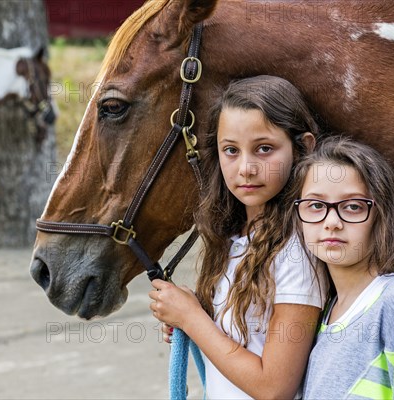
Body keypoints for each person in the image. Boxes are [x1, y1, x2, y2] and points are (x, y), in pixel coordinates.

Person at [149, 75, 327, 399]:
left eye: (264, 149)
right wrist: (197, 319)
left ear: (303, 147)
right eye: (231, 150)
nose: (246, 168)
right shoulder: (236, 240)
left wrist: (193, 321)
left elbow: (274, 387)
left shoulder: (296, 252)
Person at [287, 137, 394, 399]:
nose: (332, 222)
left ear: (381, 215)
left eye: (352, 206)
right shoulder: (324, 312)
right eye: (316, 205)